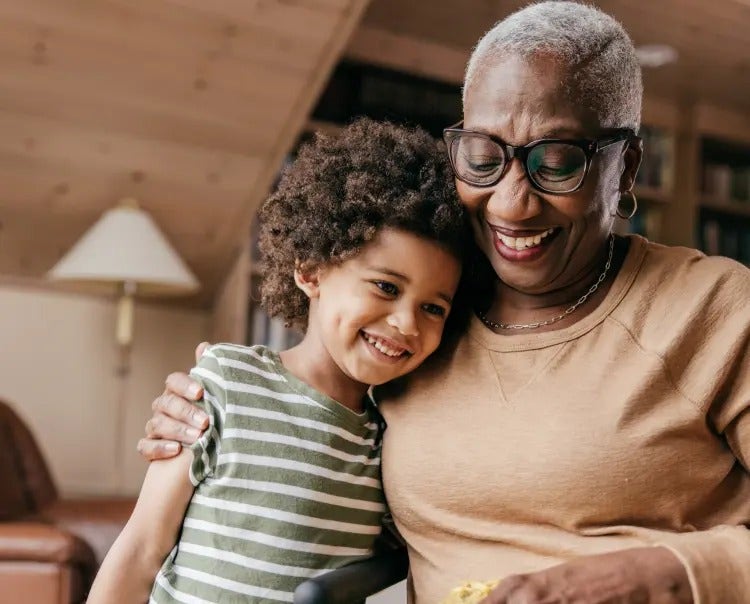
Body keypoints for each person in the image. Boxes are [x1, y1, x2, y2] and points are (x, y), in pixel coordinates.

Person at [137, 3, 750, 603]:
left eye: (558, 162)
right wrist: (214, 410)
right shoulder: (428, 322)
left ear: (627, 166)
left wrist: (661, 576)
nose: (511, 203)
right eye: (484, 158)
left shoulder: (716, 310)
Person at [87, 118, 466, 603]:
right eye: (386, 287)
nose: (407, 323)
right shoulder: (225, 382)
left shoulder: (387, 443)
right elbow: (142, 548)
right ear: (310, 271)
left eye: (433, 307)